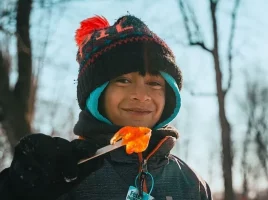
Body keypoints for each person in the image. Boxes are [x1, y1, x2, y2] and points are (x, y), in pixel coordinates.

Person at [0, 14, 213, 200]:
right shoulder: (64, 173)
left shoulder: (191, 182)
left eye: (154, 83)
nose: (141, 96)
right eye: (123, 80)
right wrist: (13, 191)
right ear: (97, 95)